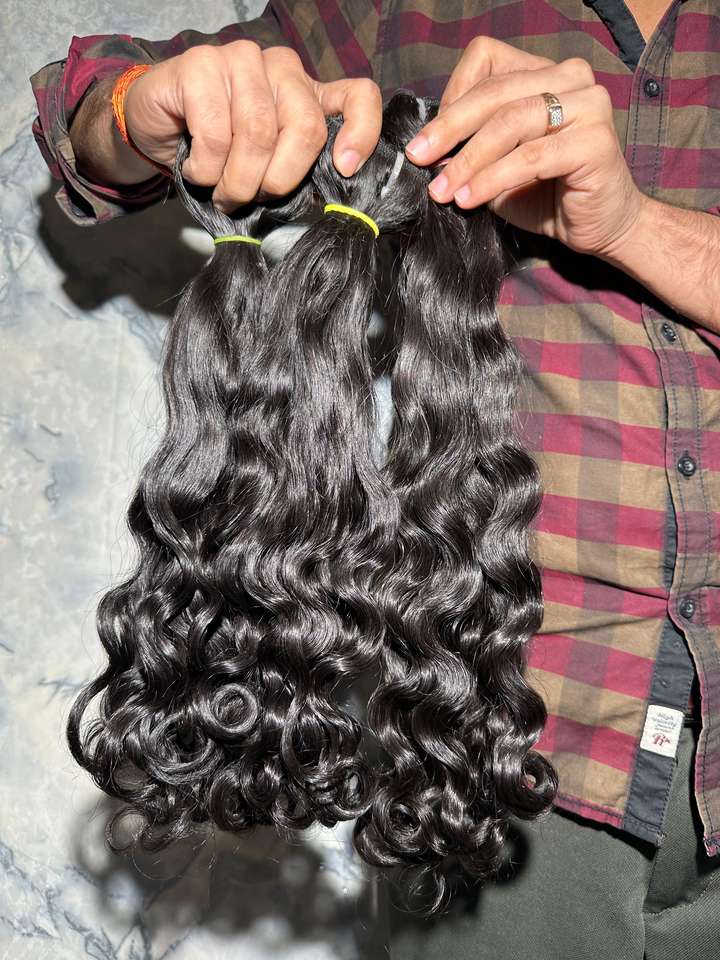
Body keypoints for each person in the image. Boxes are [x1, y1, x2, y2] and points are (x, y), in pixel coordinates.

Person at [29, 2, 720, 957]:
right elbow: (93, 117)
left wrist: (633, 225)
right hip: (507, 739)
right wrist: (137, 108)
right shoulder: (407, 9)